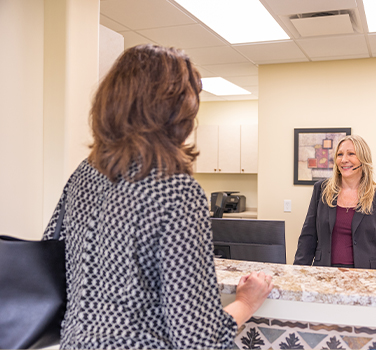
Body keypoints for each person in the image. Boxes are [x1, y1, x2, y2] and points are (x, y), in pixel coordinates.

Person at [42, 44, 273, 349]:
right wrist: (246, 302)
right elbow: (196, 339)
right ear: (177, 110)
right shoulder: (176, 191)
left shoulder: (84, 175)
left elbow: (52, 255)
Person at [294, 135, 376, 269]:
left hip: (366, 275)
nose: (343, 160)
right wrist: (298, 272)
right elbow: (308, 237)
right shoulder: (321, 190)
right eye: (340, 154)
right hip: (324, 273)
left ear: (363, 159)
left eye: (351, 154)